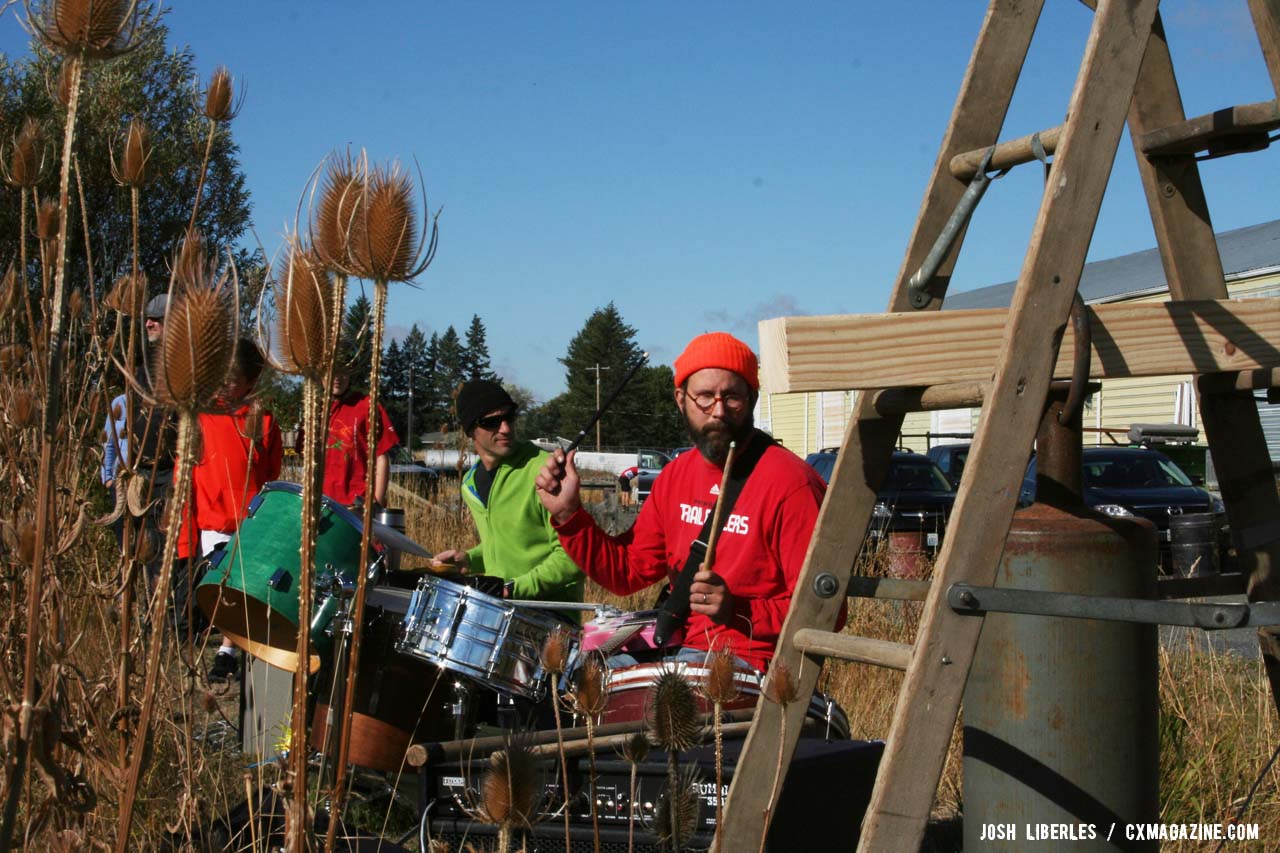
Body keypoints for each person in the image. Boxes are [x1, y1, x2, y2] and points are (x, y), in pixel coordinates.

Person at [535, 332, 826, 672]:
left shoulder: (792, 484)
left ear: (753, 398)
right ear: (681, 398)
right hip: (675, 647)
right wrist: (570, 514)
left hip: (749, 665)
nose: (718, 411)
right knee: (567, 677)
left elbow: (824, 612)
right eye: (705, 397)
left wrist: (738, 609)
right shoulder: (676, 476)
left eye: (732, 397)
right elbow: (628, 572)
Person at [176, 339, 283, 682]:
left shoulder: (263, 420)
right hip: (214, 523)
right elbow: (185, 473)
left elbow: (271, 472)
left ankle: (228, 652)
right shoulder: (201, 417)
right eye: (223, 375)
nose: (226, 383)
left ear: (251, 381)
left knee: (243, 589)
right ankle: (225, 644)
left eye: (234, 378)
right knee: (224, 589)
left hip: (251, 522)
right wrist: (184, 537)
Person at [434, 380, 584, 605]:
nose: (505, 428)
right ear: (470, 430)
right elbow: (509, 546)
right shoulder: (469, 484)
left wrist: (513, 589)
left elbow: (574, 556)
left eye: (509, 417)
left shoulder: (544, 472)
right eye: (492, 422)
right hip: (500, 610)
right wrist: (470, 558)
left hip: (549, 617)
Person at [323, 365, 398, 508]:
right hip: (320, 501)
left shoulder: (366, 406)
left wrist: (377, 501)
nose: (337, 378)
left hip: (356, 503)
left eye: (343, 372)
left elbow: (381, 456)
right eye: (332, 371)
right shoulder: (314, 411)